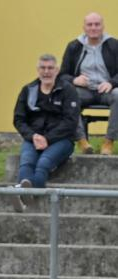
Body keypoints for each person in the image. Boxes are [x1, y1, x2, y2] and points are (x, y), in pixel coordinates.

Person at [12, 54, 79, 212]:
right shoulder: (28, 90)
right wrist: (33, 136)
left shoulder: (68, 90)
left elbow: (71, 122)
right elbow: (19, 119)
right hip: (33, 139)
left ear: (56, 70)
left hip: (61, 140)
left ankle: (22, 195)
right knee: (26, 163)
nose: (46, 72)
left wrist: (48, 139)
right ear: (37, 70)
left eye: (50, 68)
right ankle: (26, 192)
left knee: (43, 164)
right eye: (43, 68)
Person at [60, 12, 118, 155]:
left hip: (107, 91)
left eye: (97, 24)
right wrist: (74, 80)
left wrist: (111, 83)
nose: (93, 28)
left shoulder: (113, 45)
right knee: (68, 96)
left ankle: (108, 142)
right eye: (90, 25)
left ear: (103, 26)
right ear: (84, 27)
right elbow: (62, 75)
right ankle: (82, 140)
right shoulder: (74, 46)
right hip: (83, 90)